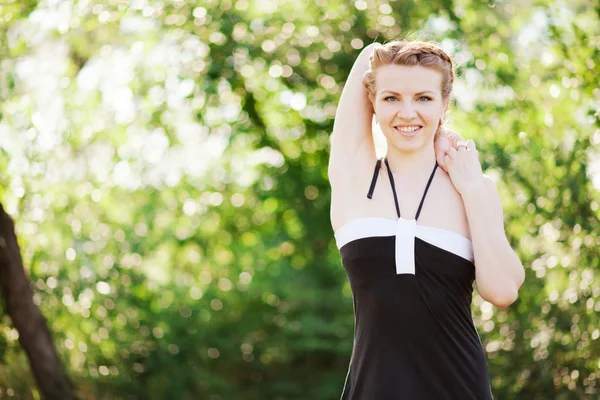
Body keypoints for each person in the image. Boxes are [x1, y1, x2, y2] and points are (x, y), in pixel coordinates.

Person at [328, 40, 525, 399]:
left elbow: (502, 290)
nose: (407, 113)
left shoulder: (473, 189)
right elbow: (366, 58)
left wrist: (472, 189)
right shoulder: (354, 178)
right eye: (391, 98)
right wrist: (385, 53)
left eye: (423, 98)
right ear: (372, 102)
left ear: (443, 105)